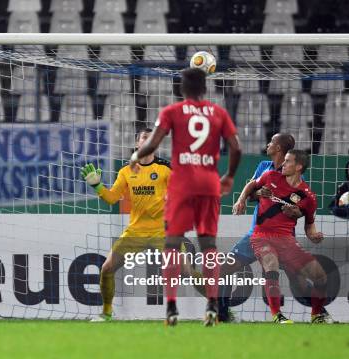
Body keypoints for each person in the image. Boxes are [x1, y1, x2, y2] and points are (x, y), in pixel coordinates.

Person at [130, 67, 241, 326]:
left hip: (182, 184)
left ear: (181, 88)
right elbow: (236, 147)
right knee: (208, 246)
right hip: (209, 182)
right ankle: (212, 304)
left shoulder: (172, 112)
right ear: (205, 88)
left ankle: (171, 307)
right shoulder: (219, 113)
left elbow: (154, 143)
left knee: (171, 244)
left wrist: (136, 156)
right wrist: (230, 176)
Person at [81, 128, 171, 322]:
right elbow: (112, 198)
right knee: (106, 269)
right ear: (138, 144)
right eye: (145, 137)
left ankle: (220, 310)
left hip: (162, 232)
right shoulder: (126, 171)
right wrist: (97, 186)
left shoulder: (166, 169)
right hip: (135, 232)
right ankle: (106, 313)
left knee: (188, 273)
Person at [239, 149, 331, 323]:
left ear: (298, 167)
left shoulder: (308, 196)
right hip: (261, 235)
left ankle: (316, 315)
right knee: (271, 264)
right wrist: (242, 199)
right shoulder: (271, 176)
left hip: (287, 240)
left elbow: (309, 226)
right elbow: (252, 186)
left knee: (320, 277)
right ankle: (277, 315)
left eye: (288, 161)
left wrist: (314, 235)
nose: (283, 164)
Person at [222, 133, 301, 322]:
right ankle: (222, 313)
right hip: (256, 234)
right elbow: (252, 192)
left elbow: (298, 205)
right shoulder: (263, 167)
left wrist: (284, 202)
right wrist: (255, 194)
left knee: (299, 275)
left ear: (279, 148)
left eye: (272, 142)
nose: (267, 144)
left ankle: (317, 310)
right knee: (224, 269)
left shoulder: (294, 173)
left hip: (281, 236)